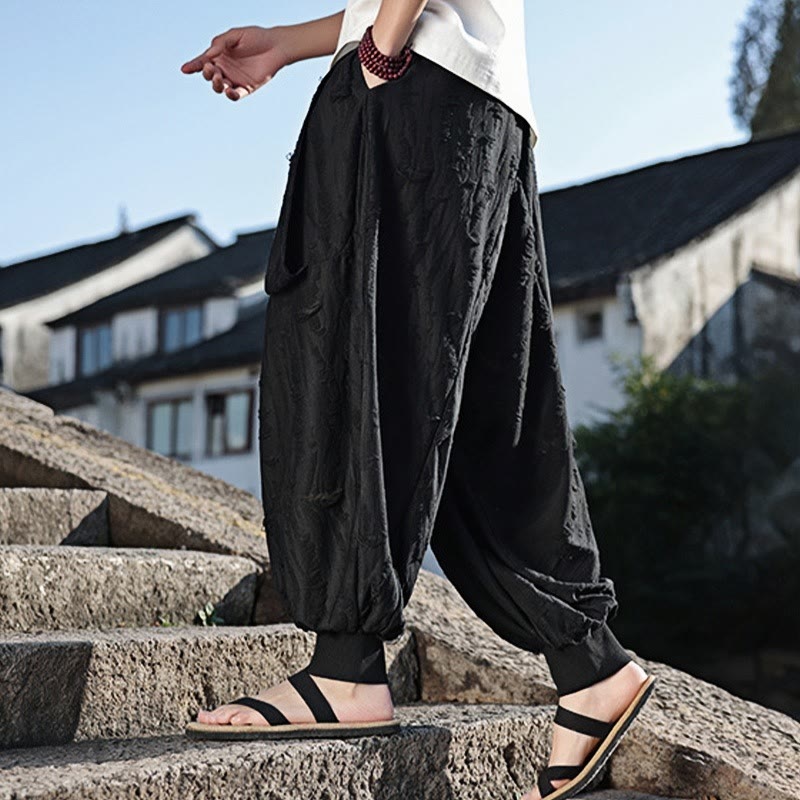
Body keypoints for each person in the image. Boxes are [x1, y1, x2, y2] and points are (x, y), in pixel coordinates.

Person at [180, 4, 656, 798]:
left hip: (411, 91)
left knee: (351, 373)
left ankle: (346, 669)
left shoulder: (395, 66)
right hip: (478, 105)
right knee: (480, 409)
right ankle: (590, 665)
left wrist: (381, 49)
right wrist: (293, 44)